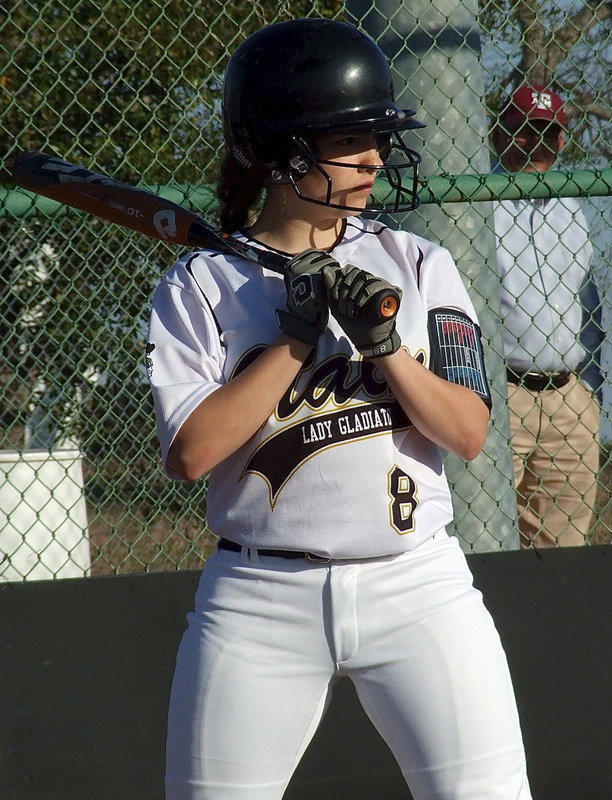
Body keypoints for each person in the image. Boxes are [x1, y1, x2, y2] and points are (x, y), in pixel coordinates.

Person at [147, 18, 532, 799]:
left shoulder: (418, 264)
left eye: (378, 137)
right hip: (258, 600)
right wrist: (293, 342)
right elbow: (191, 456)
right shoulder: (200, 286)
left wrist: (385, 345)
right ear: (284, 150)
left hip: (418, 584)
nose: (375, 158)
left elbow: (468, 432)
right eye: (349, 138)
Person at [491, 84, 603, 548]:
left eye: (546, 131)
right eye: (522, 131)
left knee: (565, 550)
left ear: (561, 140)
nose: (535, 142)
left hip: (570, 396)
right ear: (500, 135)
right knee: (485, 540)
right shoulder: (479, 202)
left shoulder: (574, 207)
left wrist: (591, 393)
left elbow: (590, 306)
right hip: (502, 394)